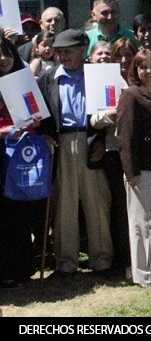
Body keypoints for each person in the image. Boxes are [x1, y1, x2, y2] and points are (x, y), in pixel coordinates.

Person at [38, 29, 114, 275]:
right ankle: (65, 263)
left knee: (97, 202)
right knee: (64, 204)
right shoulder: (48, 79)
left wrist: (101, 140)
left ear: (82, 51)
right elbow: (42, 115)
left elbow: (108, 110)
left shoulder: (98, 75)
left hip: (90, 140)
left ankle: (102, 260)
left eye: (68, 51)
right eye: (58, 52)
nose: (62, 56)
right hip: (61, 143)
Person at [116, 49, 151, 288]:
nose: (148, 71)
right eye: (143, 67)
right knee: (140, 223)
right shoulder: (131, 95)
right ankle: (141, 275)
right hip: (141, 170)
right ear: (135, 71)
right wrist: (131, 172)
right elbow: (125, 136)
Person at [88, 40, 130, 274]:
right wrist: (112, 115)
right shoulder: (103, 80)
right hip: (114, 151)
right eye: (118, 55)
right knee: (118, 207)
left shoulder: (142, 75)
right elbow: (95, 120)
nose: (123, 60)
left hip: (142, 153)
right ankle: (123, 258)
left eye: (128, 55)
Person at [0, 38, 39, 287]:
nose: (3, 59)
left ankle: (22, 269)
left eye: (7, 54)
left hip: (22, 157)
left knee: (20, 215)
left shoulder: (25, 84)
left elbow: (38, 118)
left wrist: (35, 122)